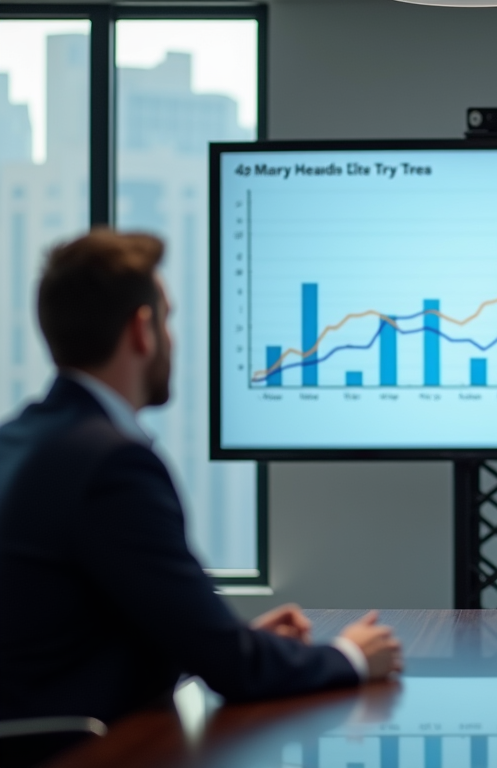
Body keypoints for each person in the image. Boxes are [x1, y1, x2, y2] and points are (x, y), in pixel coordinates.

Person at [0, 230, 403, 730]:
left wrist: (224, 640)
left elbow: (69, 640)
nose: (172, 337)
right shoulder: (112, 464)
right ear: (142, 330)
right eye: (168, 319)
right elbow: (233, 673)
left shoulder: (17, 440)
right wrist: (351, 656)